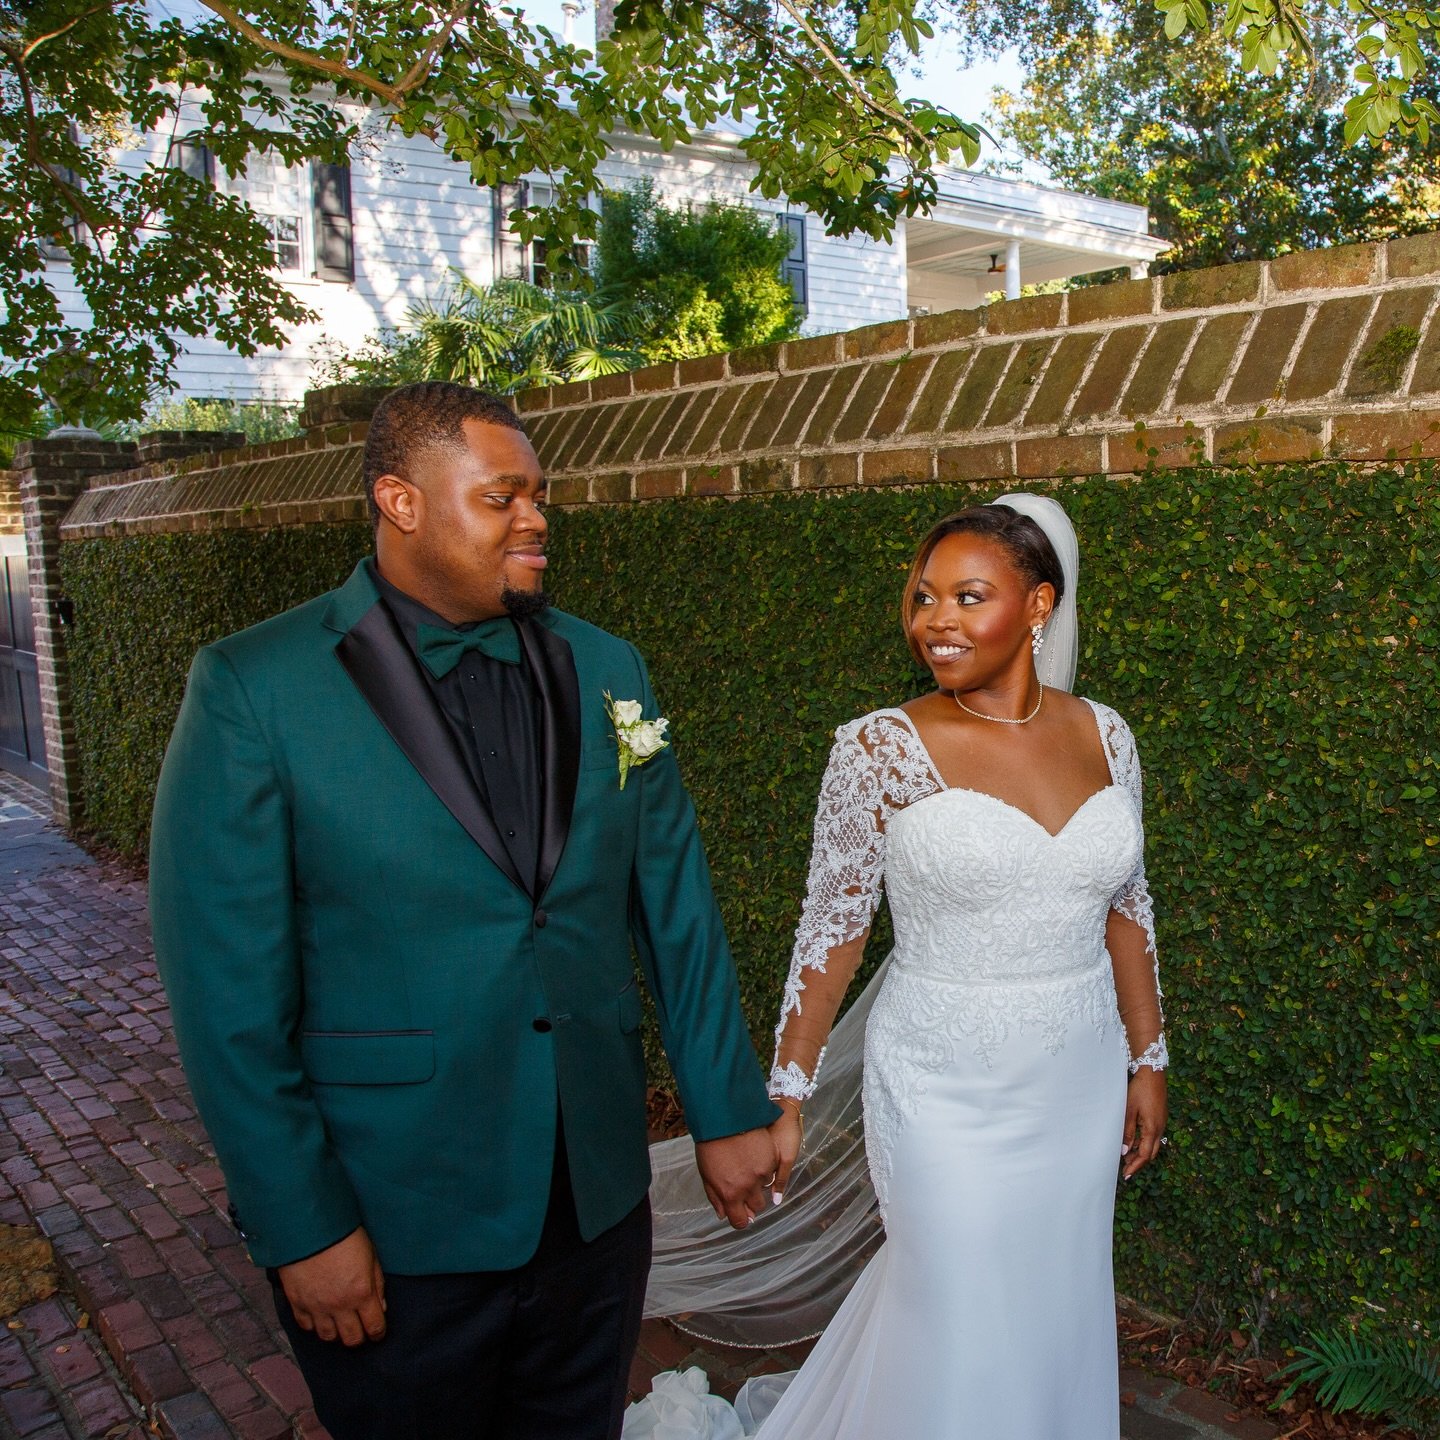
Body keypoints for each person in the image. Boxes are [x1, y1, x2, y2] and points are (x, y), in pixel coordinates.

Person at [149, 381, 780, 1440]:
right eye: (504, 498)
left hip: (593, 1201)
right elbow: (226, 1003)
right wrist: (303, 1226)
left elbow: (676, 907)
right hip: (397, 1218)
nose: (537, 519)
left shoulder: (609, 666)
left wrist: (725, 1109)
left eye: (540, 496)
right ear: (401, 502)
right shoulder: (254, 689)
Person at [625, 493, 1168, 1439]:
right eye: (924, 598)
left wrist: (1147, 1057)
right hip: (942, 1087)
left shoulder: (1106, 734)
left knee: (1053, 1292)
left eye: (967, 597)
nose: (936, 622)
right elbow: (827, 937)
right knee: (955, 1298)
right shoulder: (881, 748)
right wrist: (785, 1097)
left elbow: (1129, 911)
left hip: (1076, 1077)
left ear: (1040, 605)